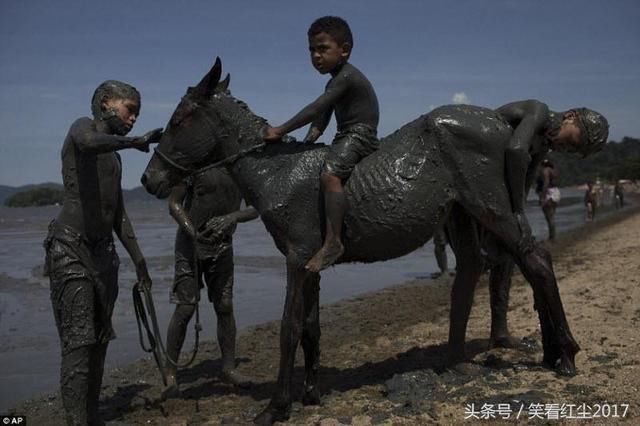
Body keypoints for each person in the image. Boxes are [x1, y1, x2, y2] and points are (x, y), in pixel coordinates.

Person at [43, 80, 162, 425]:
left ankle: (90, 416)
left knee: (98, 341)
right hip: (70, 248)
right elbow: (88, 142)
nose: (134, 119)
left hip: (104, 254)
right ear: (106, 102)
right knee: (78, 341)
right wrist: (134, 142)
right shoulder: (83, 127)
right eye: (130, 110)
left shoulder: (114, 158)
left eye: (138, 114)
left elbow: (118, 214)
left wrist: (139, 260)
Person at [264, 16, 379, 272]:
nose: (316, 56)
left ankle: (334, 242)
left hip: (359, 134)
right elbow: (321, 117)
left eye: (323, 49)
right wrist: (307, 140)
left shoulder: (347, 76)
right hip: (345, 135)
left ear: (345, 49)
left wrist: (280, 130)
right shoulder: (334, 81)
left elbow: (315, 107)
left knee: (330, 175)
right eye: (312, 50)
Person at [162, 168, 258, 399]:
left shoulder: (240, 168)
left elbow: (257, 207)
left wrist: (233, 217)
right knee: (185, 308)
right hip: (189, 246)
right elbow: (174, 203)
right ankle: (170, 374)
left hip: (223, 246)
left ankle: (228, 367)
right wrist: (192, 231)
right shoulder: (195, 164)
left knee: (225, 306)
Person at [496, 101, 608, 248]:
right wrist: (518, 211)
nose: (566, 149)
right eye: (571, 142)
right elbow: (516, 150)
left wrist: (520, 210)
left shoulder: (544, 144)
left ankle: (551, 236)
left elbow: (528, 176)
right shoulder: (540, 111)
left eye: (572, 151)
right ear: (570, 116)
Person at [536, 159, 561, 240]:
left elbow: (546, 183)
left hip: (549, 193)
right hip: (556, 192)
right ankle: (552, 236)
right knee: (551, 216)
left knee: (549, 217)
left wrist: (542, 197)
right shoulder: (554, 171)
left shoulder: (546, 170)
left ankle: (552, 237)